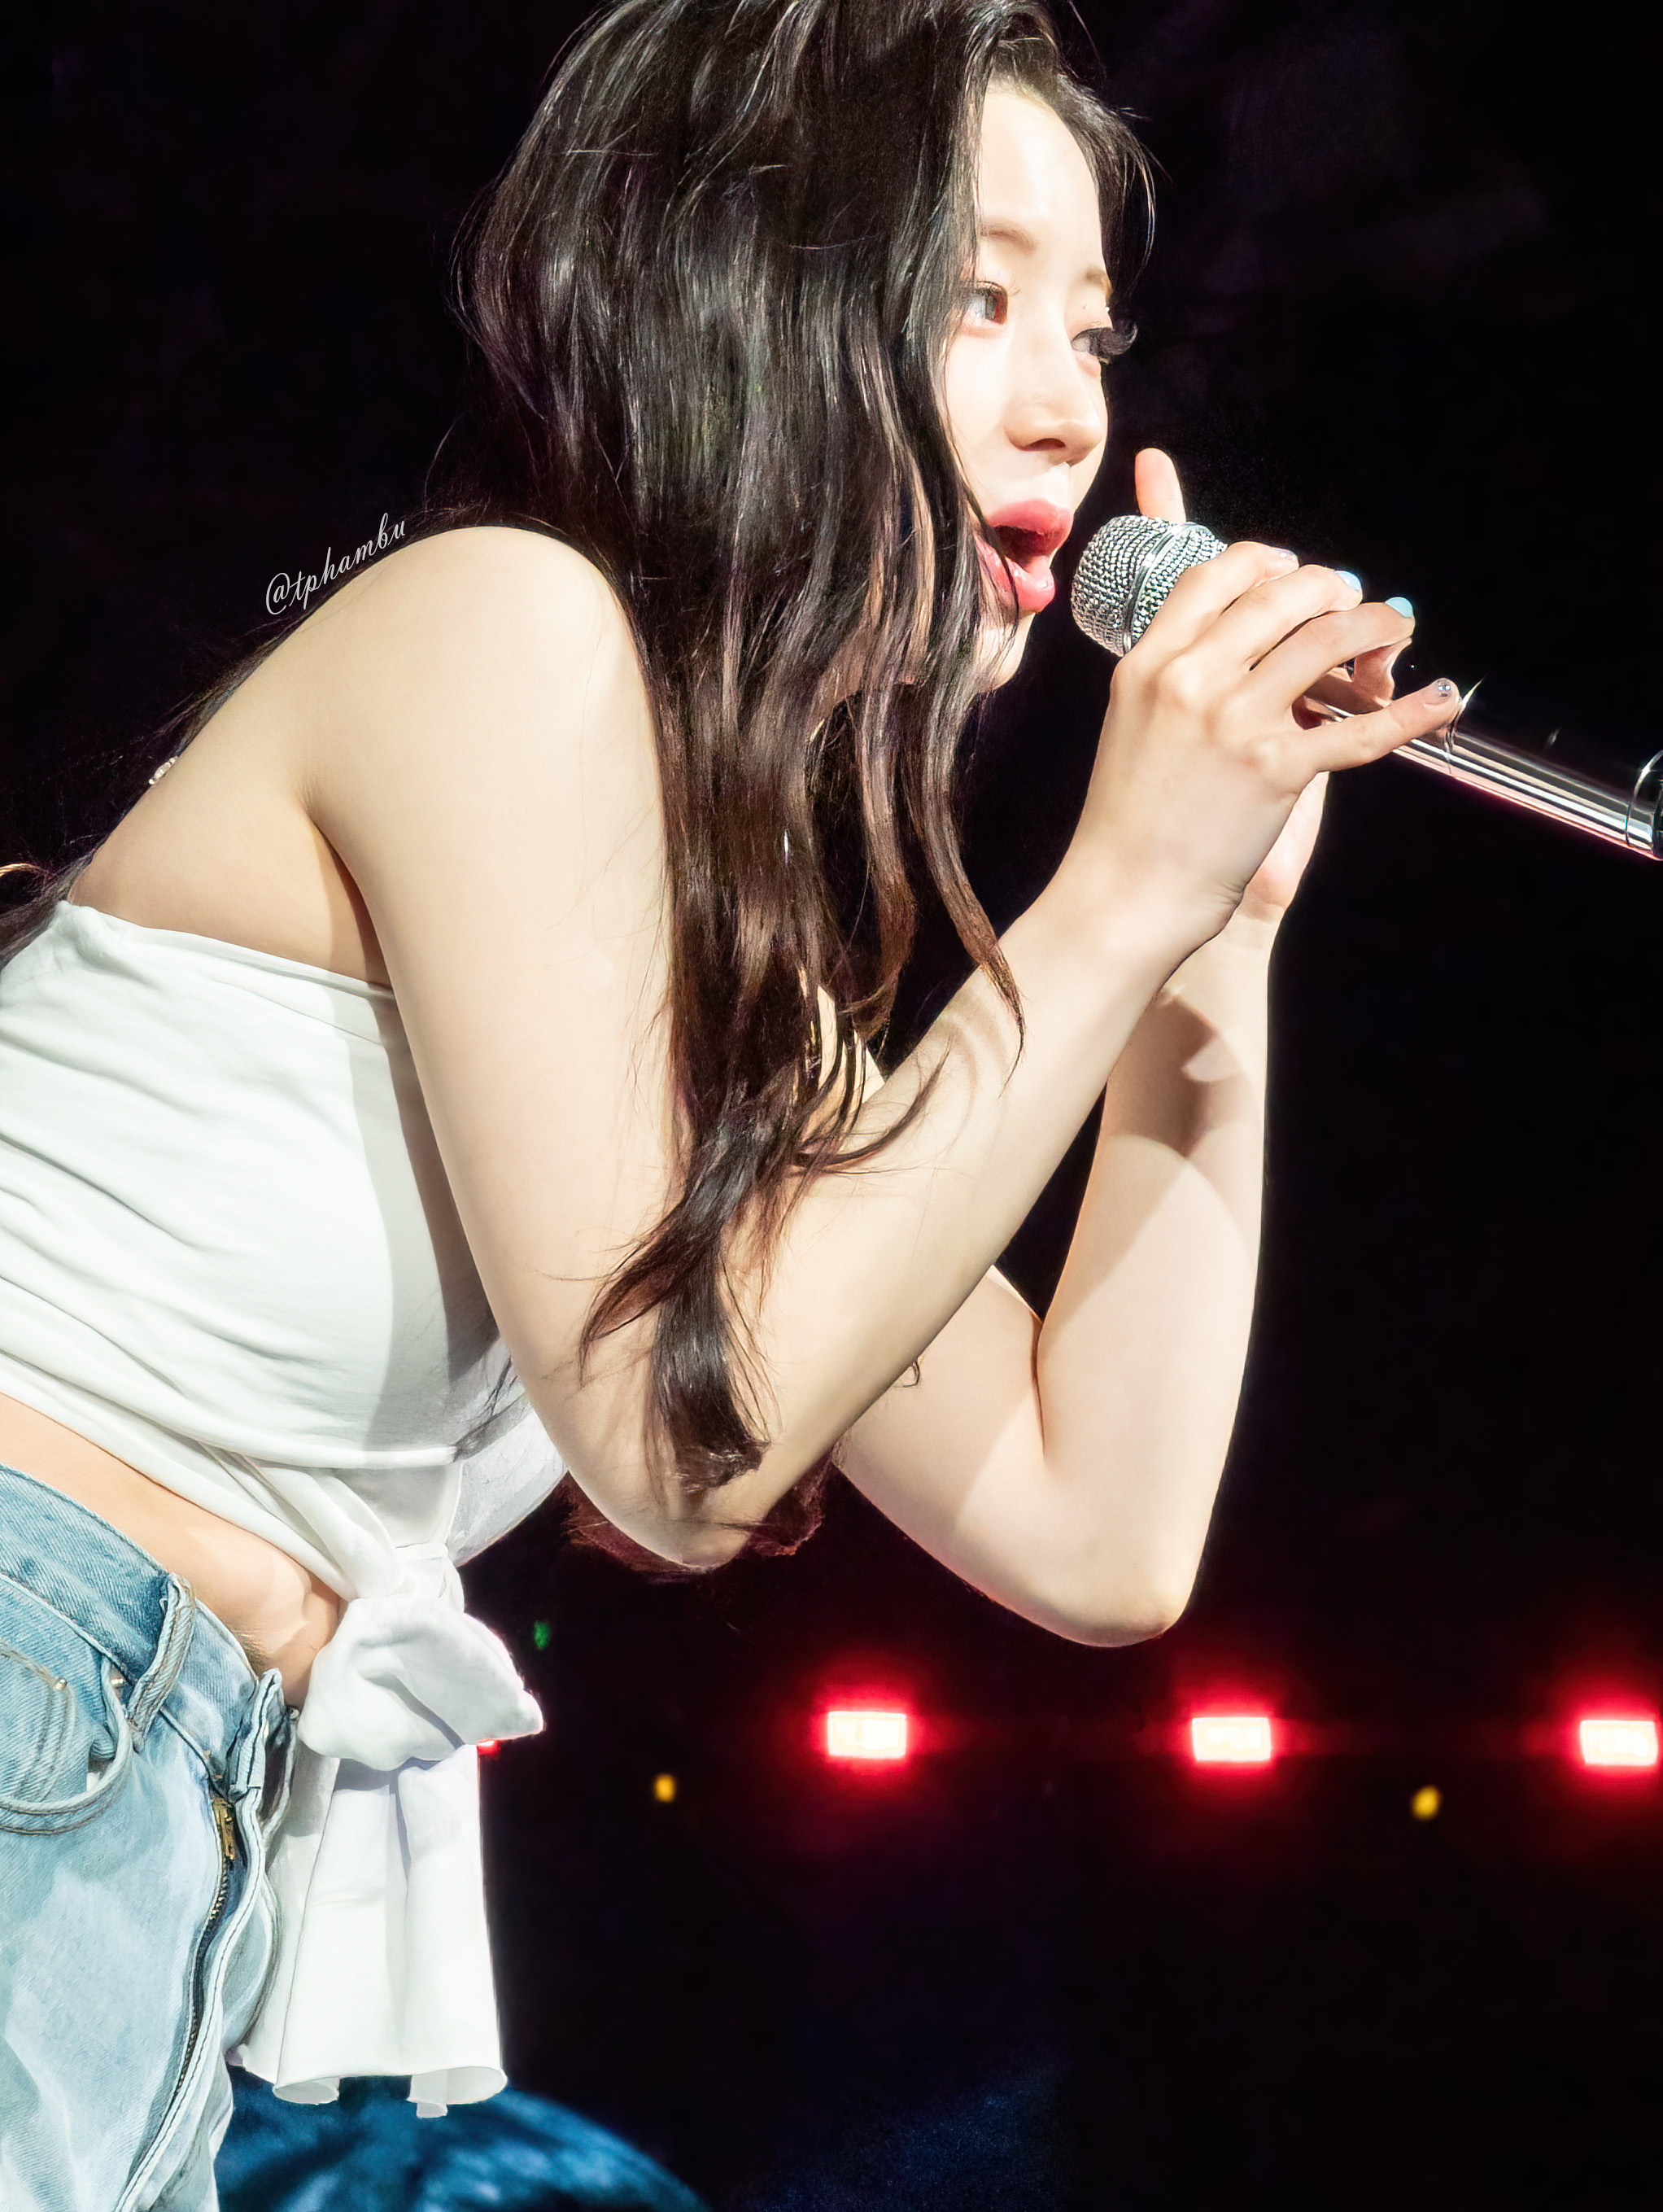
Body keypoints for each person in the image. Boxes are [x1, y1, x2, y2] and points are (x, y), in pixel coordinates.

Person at [0, 0, 1457, 2203]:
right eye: (972, 299)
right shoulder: (497, 628)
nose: (1069, 403)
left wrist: (1208, 947)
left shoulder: (704, 954)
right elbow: (680, 1450)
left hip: (150, 1795)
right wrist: (1112, 890)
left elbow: (1096, 1531)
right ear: (747, 302)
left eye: (1089, 328)